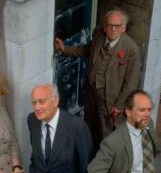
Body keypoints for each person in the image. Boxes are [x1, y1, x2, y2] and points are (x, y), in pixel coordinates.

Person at [55, 10, 141, 146]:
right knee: (90, 125)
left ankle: (104, 162)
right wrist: (65, 49)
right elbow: (85, 50)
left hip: (110, 100)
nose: (113, 29)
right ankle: (89, 153)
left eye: (117, 26)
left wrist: (119, 106)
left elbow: (131, 83)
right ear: (105, 26)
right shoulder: (99, 35)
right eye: (110, 25)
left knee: (106, 132)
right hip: (91, 91)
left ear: (123, 28)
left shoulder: (131, 49)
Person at [87, 90, 159, 173]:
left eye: (149, 109)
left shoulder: (150, 126)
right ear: (128, 111)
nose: (147, 114)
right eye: (142, 110)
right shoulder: (113, 141)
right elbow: (94, 171)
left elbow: (151, 153)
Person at [27, 83, 93, 173]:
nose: (37, 107)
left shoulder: (77, 127)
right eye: (34, 102)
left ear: (55, 101)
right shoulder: (32, 120)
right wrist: (33, 172)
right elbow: (35, 152)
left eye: (42, 101)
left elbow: (86, 169)